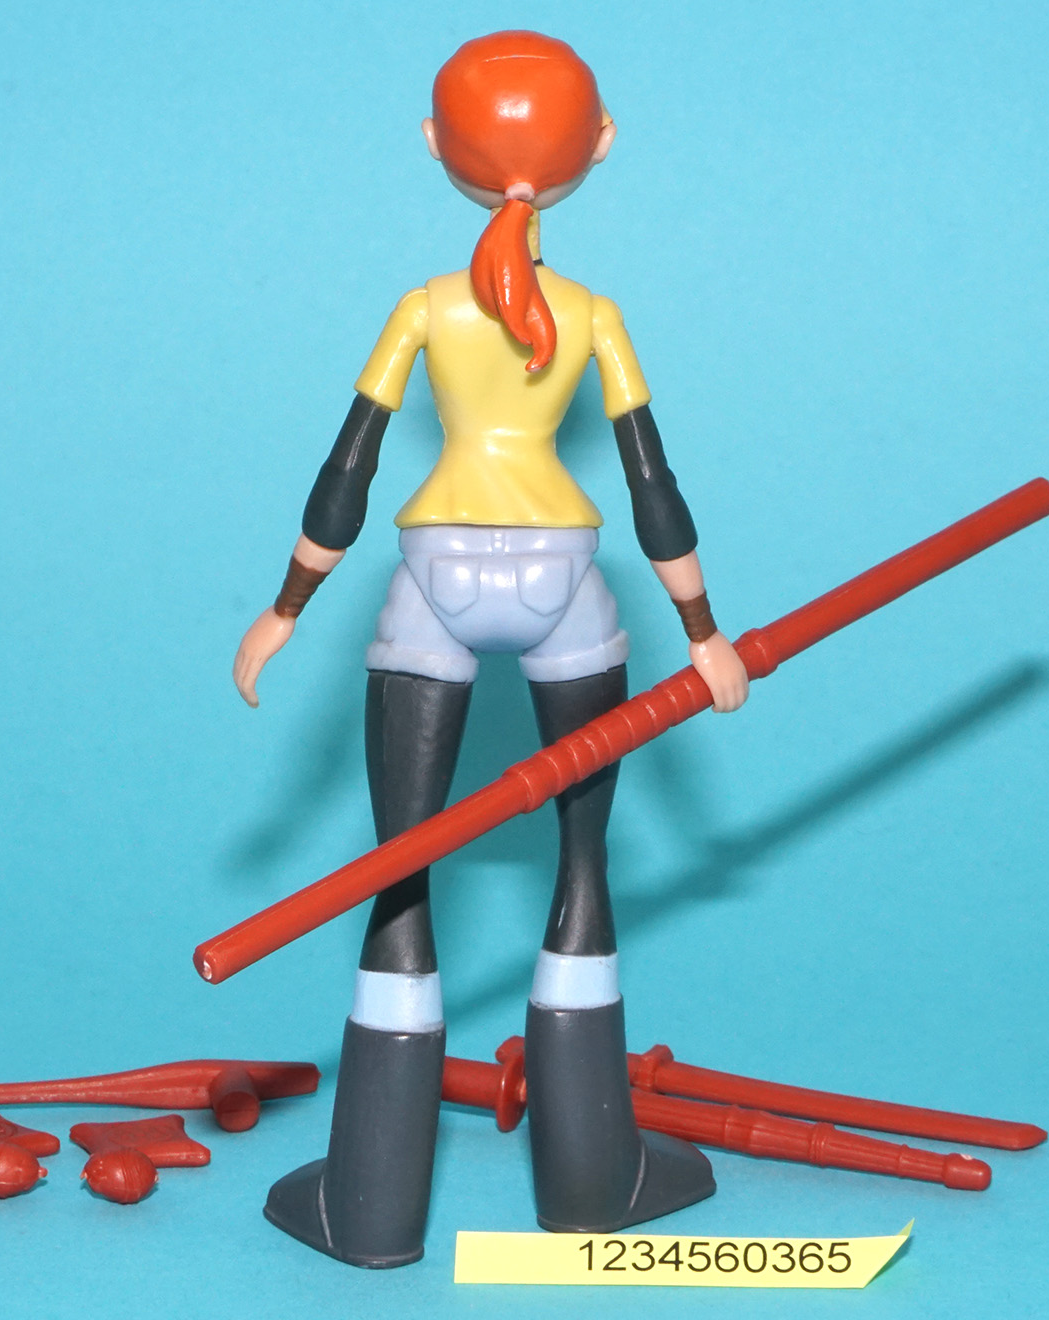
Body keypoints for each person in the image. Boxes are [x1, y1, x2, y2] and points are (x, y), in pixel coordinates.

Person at [233, 30, 748, 1268]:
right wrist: (704, 633)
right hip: (567, 580)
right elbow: (652, 485)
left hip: (434, 580)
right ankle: (593, 1182)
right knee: (583, 863)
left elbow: (348, 468)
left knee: (401, 873)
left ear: (435, 147)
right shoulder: (591, 314)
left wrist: (287, 608)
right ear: (600, 146)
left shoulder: (423, 308)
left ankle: (369, 1209)